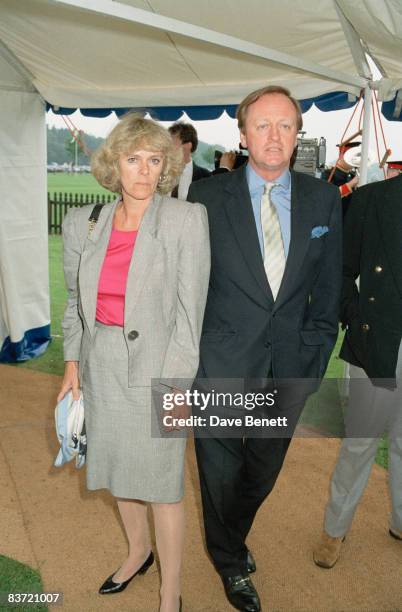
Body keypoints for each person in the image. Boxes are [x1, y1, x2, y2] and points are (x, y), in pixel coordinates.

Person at [188, 85, 342, 612]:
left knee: (261, 473)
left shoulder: (323, 198)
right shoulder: (207, 198)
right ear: (243, 133)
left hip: (288, 371)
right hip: (221, 368)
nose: (274, 137)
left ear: (298, 133)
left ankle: (232, 537)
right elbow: (189, 288)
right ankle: (229, 562)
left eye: (285, 126)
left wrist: (315, 361)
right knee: (219, 476)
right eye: (262, 125)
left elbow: (329, 289)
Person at [57, 113, 210, 612]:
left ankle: (171, 590)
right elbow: (74, 304)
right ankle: (138, 552)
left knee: (163, 484)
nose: (143, 171)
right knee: (120, 471)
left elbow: (191, 317)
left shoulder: (185, 220)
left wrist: (175, 385)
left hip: (161, 368)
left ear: (165, 165)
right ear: (113, 163)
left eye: (154, 160)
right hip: (101, 365)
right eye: (132, 159)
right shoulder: (85, 222)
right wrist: (72, 363)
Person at [313, 173, 402, 569]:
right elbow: (340, 269)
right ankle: (335, 528)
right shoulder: (371, 199)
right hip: (378, 341)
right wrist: (355, 315)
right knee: (361, 442)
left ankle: (401, 521)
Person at [168, 122, 211, 199]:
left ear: (188, 146)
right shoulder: (159, 173)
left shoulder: (205, 176)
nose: (167, 147)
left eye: (172, 142)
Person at [321, 141, 360, 217]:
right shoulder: (328, 173)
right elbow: (327, 197)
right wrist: (350, 184)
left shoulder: (353, 175)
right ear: (342, 156)